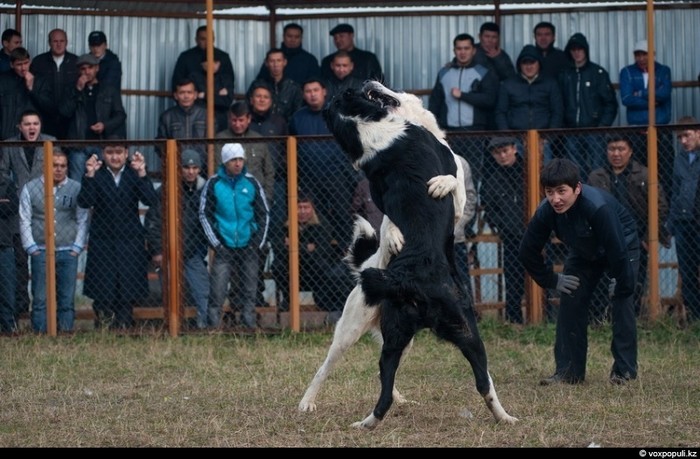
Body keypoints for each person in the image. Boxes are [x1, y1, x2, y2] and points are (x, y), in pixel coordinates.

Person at [519, 158, 640, 385]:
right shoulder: (546, 211)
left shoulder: (598, 207)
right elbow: (527, 251)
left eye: (562, 191)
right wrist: (551, 279)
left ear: (577, 188)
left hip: (621, 246)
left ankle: (624, 373)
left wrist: (622, 281)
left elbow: (617, 249)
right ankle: (568, 372)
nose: (556, 199)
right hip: (583, 251)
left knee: (622, 301)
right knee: (570, 301)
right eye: (549, 192)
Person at [588, 134, 671, 322]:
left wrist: (648, 237)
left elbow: (660, 207)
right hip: (606, 238)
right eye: (612, 149)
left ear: (630, 151)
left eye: (621, 149)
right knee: (603, 281)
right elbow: (589, 208)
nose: (616, 154)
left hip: (637, 238)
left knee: (633, 282)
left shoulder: (644, 174)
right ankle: (601, 321)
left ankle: (629, 322)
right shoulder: (597, 176)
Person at [77, 142, 158, 329]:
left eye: (119, 152)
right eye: (110, 152)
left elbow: (150, 199)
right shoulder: (96, 174)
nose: (115, 157)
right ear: (103, 154)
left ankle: (125, 328)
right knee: (103, 289)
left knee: (127, 290)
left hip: (130, 241)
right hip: (102, 242)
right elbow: (84, 201)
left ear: (126, 153)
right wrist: (89, 174)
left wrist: (142, 173)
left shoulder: (133, 173)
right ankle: (104, 327)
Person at [199, 143, 270, 329]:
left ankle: (249, 327)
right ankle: (213, 329)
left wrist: (256, 243)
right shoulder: (214, 184)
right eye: (233, 160)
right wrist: (216, 243)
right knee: (218, 291)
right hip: (224, 246)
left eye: (240, 159)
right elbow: (204, 213)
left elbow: (264, 214)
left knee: (250, 290)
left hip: (249, 246)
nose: (238, 163)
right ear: (225, 162)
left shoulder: (251, 182)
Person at [19, 150, 88, 333]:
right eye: (54, 165)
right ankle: (40, 333)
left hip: (68, 250)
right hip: (40, 250)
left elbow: (82, 218)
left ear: (67, 167)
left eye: (62, 166)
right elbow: (25, 218)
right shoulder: (31, 187)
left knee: (66, 297)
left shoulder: (76, 188)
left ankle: (65, 333)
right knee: (40, 297)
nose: (58, 169)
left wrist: (77, 247)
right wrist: (31, 247)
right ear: (46, 166)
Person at [0, 110, 58, 318]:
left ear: (40, 125)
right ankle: (21, 308)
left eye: (35, 123)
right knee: (20, 263)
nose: (31, 128)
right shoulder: (9, 144)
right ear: (19, 127)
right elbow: (3, 173)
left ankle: (49, 315)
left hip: (44, 209)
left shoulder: (51, 142)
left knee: (47, 264)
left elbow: (58, 170)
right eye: (27, 124)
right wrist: (13, 196)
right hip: (18, 212)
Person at [145, 149, 210, 329]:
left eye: (195, 167)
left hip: (193, 252)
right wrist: (157, 250)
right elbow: (153, 222)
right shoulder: (165, 191)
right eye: (186, 167)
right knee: (169, 293)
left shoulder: (204, 191)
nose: (190, 171)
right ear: (179, 168)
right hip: (168, 251)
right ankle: (172, 327)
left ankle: (204, 328)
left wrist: (201, 248)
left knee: (203, 290)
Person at [272, 191, 353, 324]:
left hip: (315, 273)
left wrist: (295, 245)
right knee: (277, 265)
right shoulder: (284, 225)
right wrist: (307, 248)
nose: (302, 211)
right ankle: (288, 299)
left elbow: (321, 252)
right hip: (291, 270)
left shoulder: (322, 224)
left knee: (324, 266)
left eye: (306, 207)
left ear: (312, 208)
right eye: (299, 208)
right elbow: (279, 249)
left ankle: (325, 302)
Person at [559, 33, 618, 182]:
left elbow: (610, 102)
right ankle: (579, 199)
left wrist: (602, 126)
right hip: (571, 131)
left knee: (597, 169)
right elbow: (559, 102)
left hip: (594, 131)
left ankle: (596, 200)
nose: (577, 52)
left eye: (580, 49)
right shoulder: (565, 74)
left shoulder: (598, 73)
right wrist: (564, 124)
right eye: (573, 49)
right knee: (575, 171)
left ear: (586, 50)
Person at [480, 137, 527, 324]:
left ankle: (546, 317)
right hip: (511, 236)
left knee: (541, 278)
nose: (502, 155)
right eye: (497, 152)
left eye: (505, 150)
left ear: (514, 149)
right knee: (513, 280)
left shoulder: (530, 171)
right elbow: (489, 209)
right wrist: (501, 226)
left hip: (535, 234)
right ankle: (514, 320)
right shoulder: (493, 180)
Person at [60, 53, 127, 181]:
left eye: (90, 68)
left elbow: (120, 115)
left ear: (97, 68)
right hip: (78, 145)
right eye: (83, 69)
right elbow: (64, 112)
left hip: (102, 144)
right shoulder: (71, 89)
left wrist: (105, 125)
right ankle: (77, 202)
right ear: (79, 71)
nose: (86, 72)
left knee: (104, 181)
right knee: (76, 181)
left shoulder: (109, 90)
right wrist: (78, 90)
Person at [619, 39, 674, 197]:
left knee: (664, 169)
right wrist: (653, 100)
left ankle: (664, 205)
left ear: (653, 54)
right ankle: (642, 206)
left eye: (644, 54)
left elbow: (664, 94)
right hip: (637, 131)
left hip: (660, 129)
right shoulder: (627, 71)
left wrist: (641, 93)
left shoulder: (663, 71)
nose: (641, 57)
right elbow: (627, 98)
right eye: (637, 54)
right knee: (638, 170)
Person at [495, 44, 563, 163]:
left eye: (532, 62)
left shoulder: (550, 83)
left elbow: (557, 111)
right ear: (520, 65)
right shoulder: (508, 84)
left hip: (543, 140)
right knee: (517, 177)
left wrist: (548, 138)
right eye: (525, 63)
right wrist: (508, 138)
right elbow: (500, 112)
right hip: (516, 140)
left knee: (545, 175)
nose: (529, 66)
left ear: (539, 64)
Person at [428, 33, 499, 132]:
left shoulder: (483, 73)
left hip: (476, 131)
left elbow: (489, 100)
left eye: (466, 48)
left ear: (473, 51)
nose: (463, 52)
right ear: (454, 51)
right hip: (449, 131)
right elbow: (435, 103)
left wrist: (462, 95)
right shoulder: (444, 73)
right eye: (459, 49)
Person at [668, 116, 700, 324]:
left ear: (698, 133)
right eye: (679, 137)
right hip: (683, 222)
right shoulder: (679, 159)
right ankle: (695, 317)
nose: (683, 140)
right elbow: (675, 192)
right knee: (687, 273)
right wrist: (671, 222)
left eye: (687, 135)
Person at [215, 101, 275, 201]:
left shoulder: (258, 140)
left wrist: (266, 196)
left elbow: (269, 171)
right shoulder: (220, 140)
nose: (237, 124)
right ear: (229, 120)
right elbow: (217, 168)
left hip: (256, 195)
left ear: (248, 119)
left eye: (241, 120)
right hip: (230, 195)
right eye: (234, 120)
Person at [28, 28, 79, 139]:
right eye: (55, 41)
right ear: (49, 43)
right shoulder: (39, 62)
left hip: (70, 118)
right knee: (47, 151)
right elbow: (33, 90)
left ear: (67, 42)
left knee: (68, 152)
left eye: (62, 41)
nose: (59, 44)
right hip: (45, 117)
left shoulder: (76, 62)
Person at [0, 47, 52, 141]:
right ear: (12, 65)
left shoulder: (40, 80)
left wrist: (32, 89)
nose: (23, 68)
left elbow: (48, 107)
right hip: (7, 135)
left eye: (26, 63)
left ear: (30, 61)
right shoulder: (2, 81)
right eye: (19, 64)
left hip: (32, 135)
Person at [156, 77, 207, 168]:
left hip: (201, 168)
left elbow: (213, 145)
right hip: (175, 168)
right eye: (182, 92)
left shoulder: (206, 116)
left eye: (189, 92)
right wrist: (172, 161)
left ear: (195, 95)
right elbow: (160, 145)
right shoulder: (167, 117)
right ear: (176, 95)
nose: (186, 96)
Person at [171, 25, 235, 93]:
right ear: (196, 40)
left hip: (217, 100)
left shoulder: (223, 57)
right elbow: (177, 81)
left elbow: (229, 81)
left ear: (213, 39)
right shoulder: (186, 57)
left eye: (210, 39)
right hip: (191, 100)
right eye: (203, 39)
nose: (207, 42)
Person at [254, 23, 321, 86]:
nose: (293, 39)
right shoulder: (273, 57)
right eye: (289, 36)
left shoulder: (310, 60)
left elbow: (315, 84)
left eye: (297, 37)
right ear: (283, 36)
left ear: (301, 38)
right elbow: (260, 82)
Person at [248, 48, 303, 124]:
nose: (275, 64)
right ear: (266, 63)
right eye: (272, 61)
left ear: (285, 62)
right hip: (261, 128)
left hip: (286, 130)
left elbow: (297, 113)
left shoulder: (293, 87)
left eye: (279, 61)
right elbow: (248, 108)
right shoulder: (257, 85)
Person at [453, 154, 478, 311]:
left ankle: (468, 314)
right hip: (429, 236)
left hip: (455, 236)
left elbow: (470, 196)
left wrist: (459, 223)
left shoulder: (460, 162)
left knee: (461, 277)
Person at [189, 54, 234, 133]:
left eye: (216, 62)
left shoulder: (225, 79)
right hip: (199, 118)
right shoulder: (194, 77)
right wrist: (217, 95)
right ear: (203, 64)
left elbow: (226, 102)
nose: (214, 65)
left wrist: (205, 95)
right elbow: (194, 100)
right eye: (211, 62)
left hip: (221, 119)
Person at [0, 173, 18, 333]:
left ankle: (8, 327)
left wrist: (5, 205)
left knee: (7, 290)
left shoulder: (7, 183)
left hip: (3, 244)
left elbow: (12, 207)